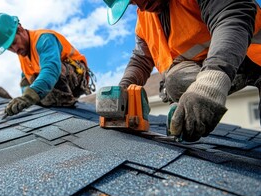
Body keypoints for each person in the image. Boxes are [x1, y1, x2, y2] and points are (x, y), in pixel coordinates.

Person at [103, 0, 261, 142]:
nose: (140, 5)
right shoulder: (145, 20)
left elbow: (232, 15)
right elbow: (140, 59)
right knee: (174, 80)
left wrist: (209, 84)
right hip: (214, 65)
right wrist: (124, 88)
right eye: (131, 2)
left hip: (252, 55)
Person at [0, 13, 95, 116]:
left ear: (20, 29)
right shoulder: (23, 54)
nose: (15, 49)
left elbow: (51, 69)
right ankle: (42, 102)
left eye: (14, 42)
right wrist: (22, 102)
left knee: (53, 71)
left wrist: (29, 97)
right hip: (53, 84)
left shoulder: (44, 39)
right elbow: (26, 81)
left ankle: (64, 102)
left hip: (74, 77)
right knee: (28, 80)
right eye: (9, 48)